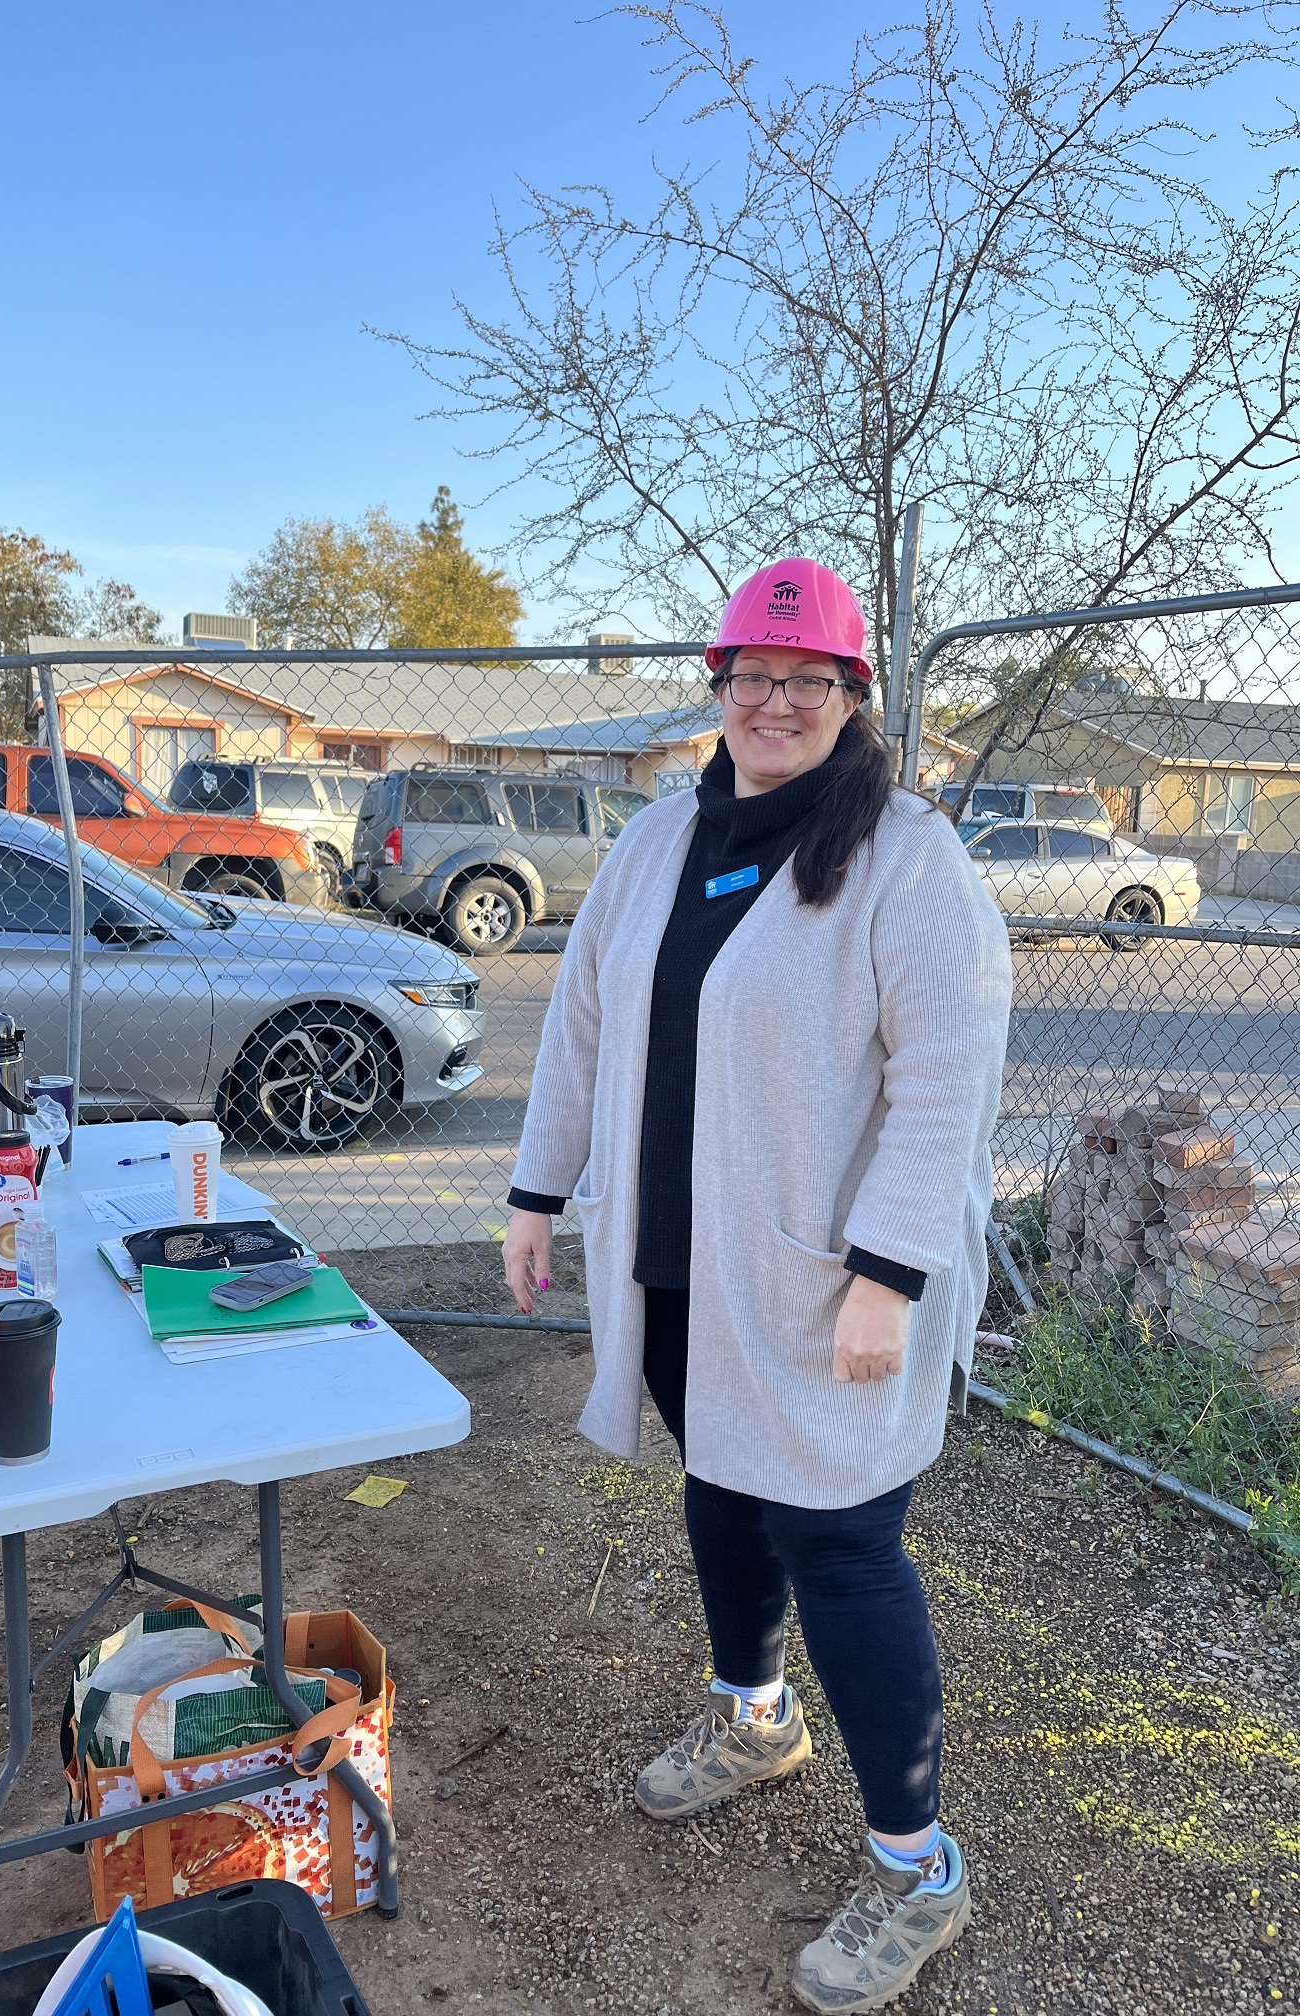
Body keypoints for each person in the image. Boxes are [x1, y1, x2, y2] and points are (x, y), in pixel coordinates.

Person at [502, 557, 1012, 2013]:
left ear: (854, 696)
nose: (775, 702)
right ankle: (755, 1716)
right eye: (752, 676)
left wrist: (888, 1275)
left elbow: (947, 1078)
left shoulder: (908, 858)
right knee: (721, 1487)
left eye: (808, 680)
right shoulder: (662, 837)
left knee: (841, 1547)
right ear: (717, 685)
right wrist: (538, 1189)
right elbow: (583, 1025)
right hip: (678, 1259)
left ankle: (919, 1867)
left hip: (828, 1279)